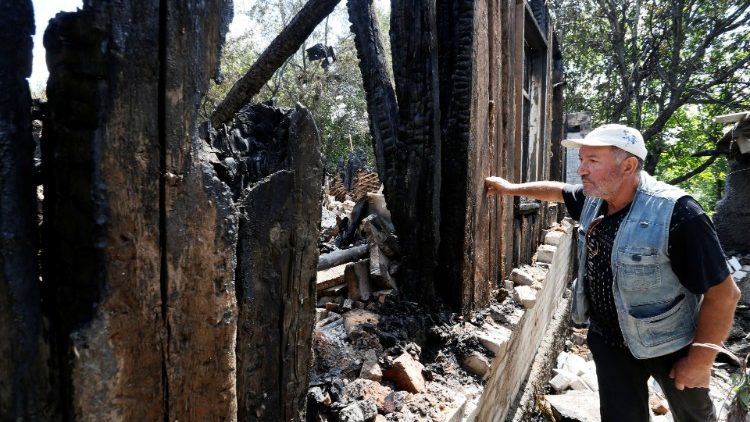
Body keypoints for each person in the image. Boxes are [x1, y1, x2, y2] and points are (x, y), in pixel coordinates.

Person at [485, 124, 741, 422]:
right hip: (610, 342)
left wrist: (700, 359)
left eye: (592, 161)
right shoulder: (596, 198)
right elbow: (558, 191)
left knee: (695, 417)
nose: (581, 170)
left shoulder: (678, 214)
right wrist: (510, 189)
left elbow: (724, 294)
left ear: (628, 165)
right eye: (582, 160)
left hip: (671, 344)